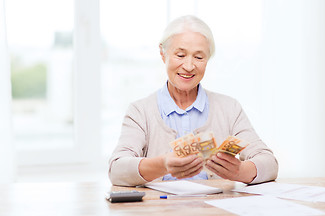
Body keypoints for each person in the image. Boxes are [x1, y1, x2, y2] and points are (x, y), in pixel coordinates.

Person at [108, 15, 278, 186]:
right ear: (162, 54)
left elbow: (270, 163)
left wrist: (239, 171)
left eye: (198, 57)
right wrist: (163, 164)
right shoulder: (140, 111)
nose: (189, 66)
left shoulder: (229, 108)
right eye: (180, 55)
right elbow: (116, 169)